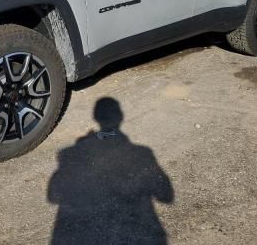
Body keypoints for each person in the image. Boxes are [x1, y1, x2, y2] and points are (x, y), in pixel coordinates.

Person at [48, 97, 174, 244]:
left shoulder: (68, 154)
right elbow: (166, 196)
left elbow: (53, 196)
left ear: (96, 117)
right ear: (120, 117)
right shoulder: (143, 153)